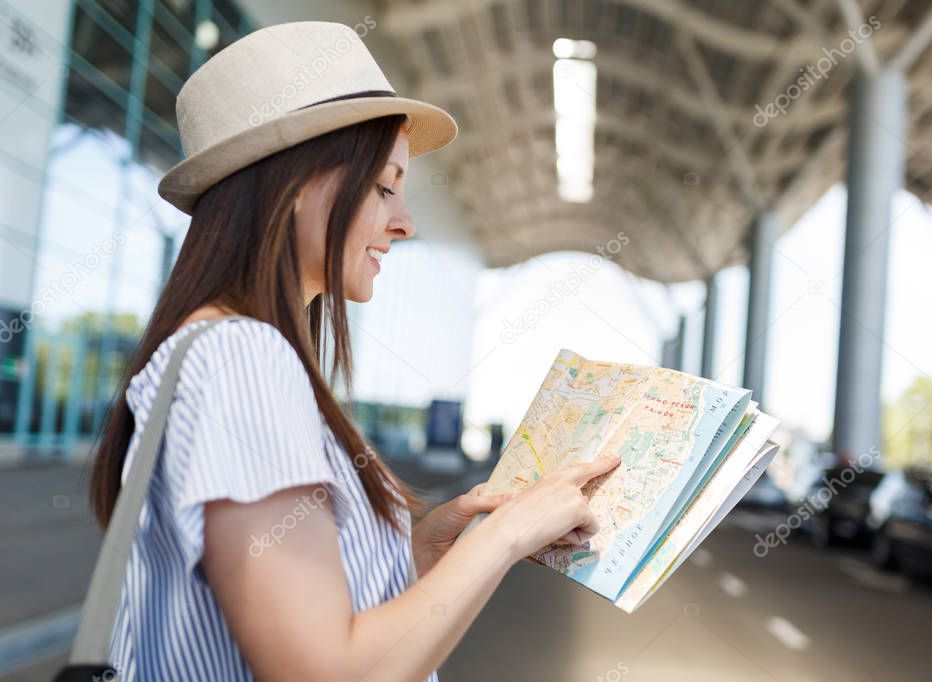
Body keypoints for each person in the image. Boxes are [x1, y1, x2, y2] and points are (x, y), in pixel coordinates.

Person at [88, 21, 620, 681]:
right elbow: (326, 673)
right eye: (382, 186)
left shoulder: (219, 348)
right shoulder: (242, 358)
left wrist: (422, 554)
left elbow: (290, 617)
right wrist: (510, 536)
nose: (405, 222)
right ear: (290, 187)